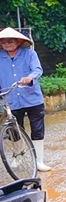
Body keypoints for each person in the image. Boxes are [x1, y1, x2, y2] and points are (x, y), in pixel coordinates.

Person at [0, 27, 50, 172]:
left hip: (32, 97)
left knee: (37, 129)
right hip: (10, 99)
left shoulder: (29, 54)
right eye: (4, 42)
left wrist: (30, 78)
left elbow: (37, 70)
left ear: (18, 41)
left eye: (10, 41)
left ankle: (39, 161)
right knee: (15, 129)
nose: (7, 43)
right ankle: (18, 156)